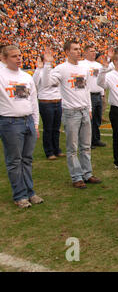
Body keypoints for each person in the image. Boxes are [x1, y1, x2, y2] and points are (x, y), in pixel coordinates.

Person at [42, 40, 102, 189]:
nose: (78, 51)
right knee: (72, 147)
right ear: (67, 52)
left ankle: (87, 174)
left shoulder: (83, 67)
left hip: (83, 110)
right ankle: (77, 177)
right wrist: (47, 65)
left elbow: (86, 89)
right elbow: (46, 83)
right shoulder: (61, 68)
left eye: (79, 48)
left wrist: (88, 108)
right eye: (75, 49)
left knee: (86, 146)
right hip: (70, 112)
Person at [0, 45, 44, 208]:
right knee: (14, 160)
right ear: (3, 59)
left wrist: (35, 123)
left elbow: (33, 101)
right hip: (10, 122)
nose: (19, 58)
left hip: (27, 121)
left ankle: (30, 192)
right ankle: (20, 195)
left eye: (19, 55)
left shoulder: (26, 77)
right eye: (13, 56)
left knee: (27, 159)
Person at [33, 51, 65, 160]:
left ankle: (57, 149)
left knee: (56, 128)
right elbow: (35, 83)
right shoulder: (40, 71)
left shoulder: (54, 71)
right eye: (47, 58)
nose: (50, 60)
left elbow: (60, 87)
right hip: (46, 102)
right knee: (48, 128)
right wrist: (39, 68)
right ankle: (49, 151)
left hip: (57, 101)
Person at [79, 45, 106, 148]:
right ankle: (87, 141)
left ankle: (96, 139)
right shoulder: (82, 64)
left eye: (94, 51)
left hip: (98, 94)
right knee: (88, 120)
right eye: (91, 51)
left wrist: (102, 93)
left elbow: (102, 80)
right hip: (88, 95)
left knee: (97, 119)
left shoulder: (98, 65)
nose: (94, 53)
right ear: (85, 53)